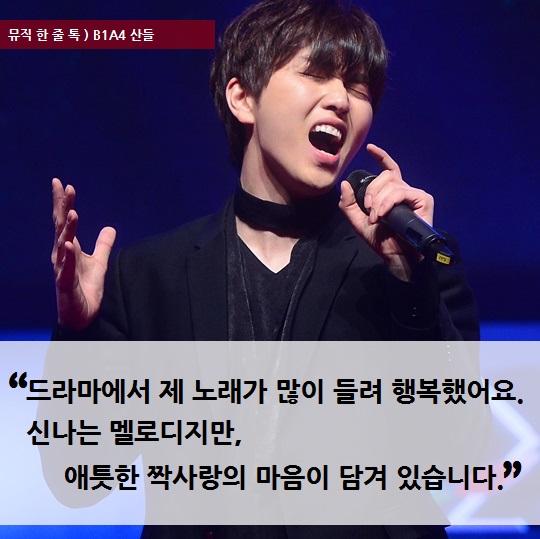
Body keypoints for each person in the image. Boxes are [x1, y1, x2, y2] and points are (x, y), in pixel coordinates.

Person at [50, 0, 479, 537]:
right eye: (316, 73)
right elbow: (76, 482)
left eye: (359, 87)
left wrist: (409, 285)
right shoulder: (149, 275)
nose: (341, 99)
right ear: (243, 98)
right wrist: (78, 334)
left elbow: (459, 451)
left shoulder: (413, 262)